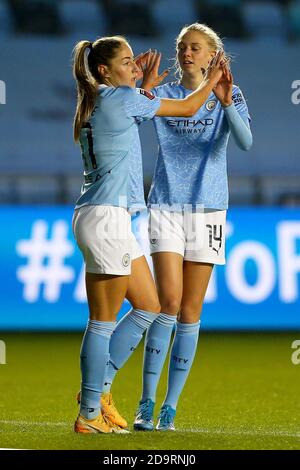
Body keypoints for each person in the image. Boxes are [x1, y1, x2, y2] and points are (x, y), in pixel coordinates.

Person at [71, 34, 225, 434]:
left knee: (149, 306)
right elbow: (190, 106)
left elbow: (133, 106)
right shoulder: (121, 99)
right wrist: (215, 80)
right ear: (104, 70)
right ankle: (90, 410)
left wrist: (143, 85)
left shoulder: (101, 99)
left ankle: (97, 390)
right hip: (106, 218)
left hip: (102, 217)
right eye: (126, 61)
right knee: (102, 321)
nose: (134, 66)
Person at [131, 23, 253, 431]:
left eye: (195, 48)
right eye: (183, 47)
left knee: (190, 309)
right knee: (167, 302)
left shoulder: (228, 95)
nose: (187, 52)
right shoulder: (164, 95)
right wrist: (143, 88)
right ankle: (146, 401)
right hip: (166, 204)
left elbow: (246, 142)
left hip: (209, 210)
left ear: (212, 55)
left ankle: (170, 405)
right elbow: (129, 119)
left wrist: (227, 103)